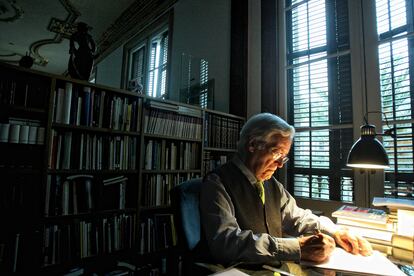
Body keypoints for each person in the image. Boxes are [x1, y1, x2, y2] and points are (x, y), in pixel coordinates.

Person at [200, 112, 372, 267]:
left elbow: (298, 217)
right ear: (252, 144)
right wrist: (298, 247)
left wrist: (336, 231)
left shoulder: (272, 184)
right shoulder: (217, 182)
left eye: (284, 157)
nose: (280, 164)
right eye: (276, 153)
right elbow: (226, 243)